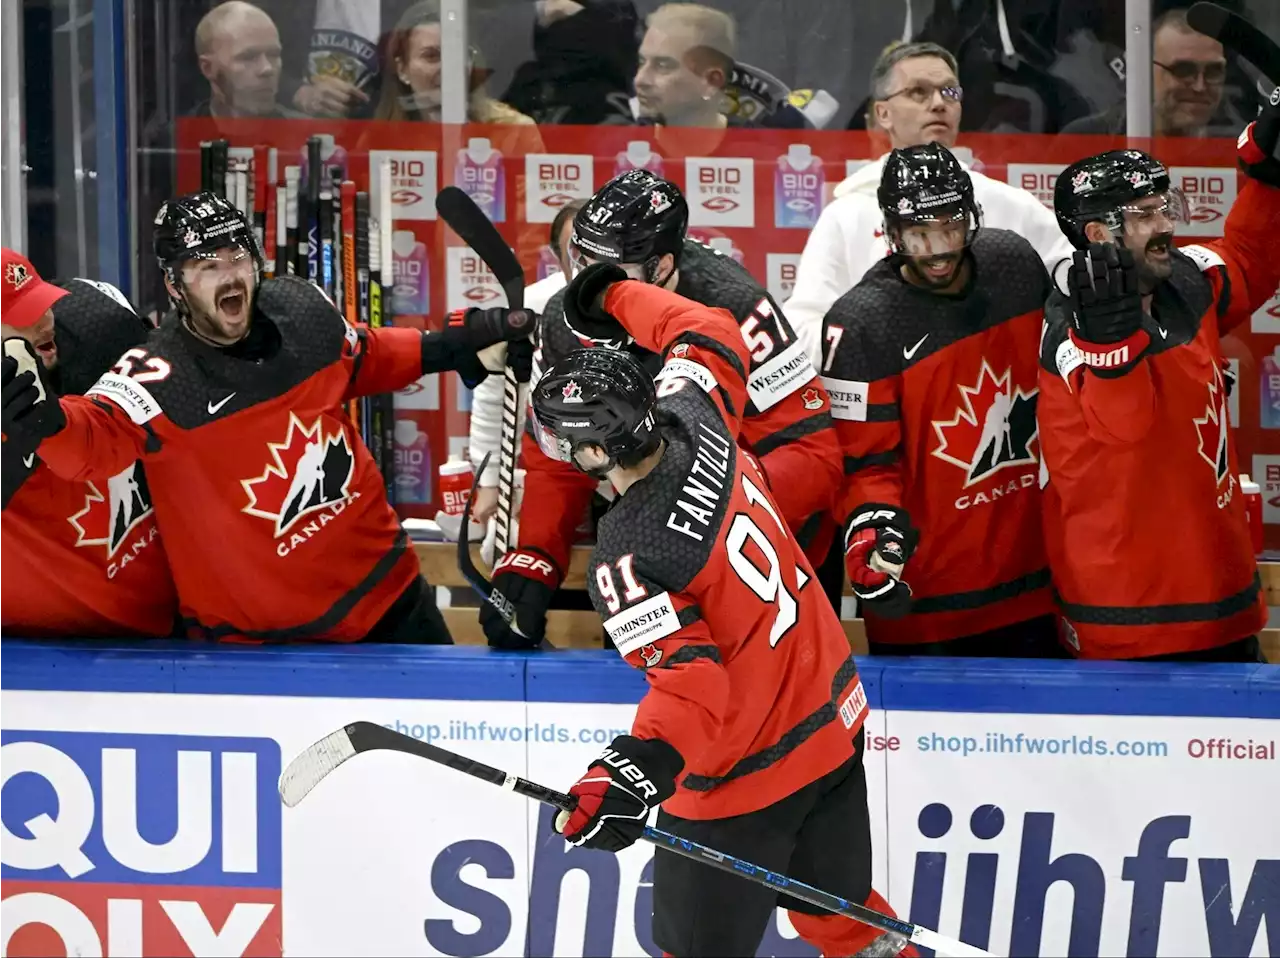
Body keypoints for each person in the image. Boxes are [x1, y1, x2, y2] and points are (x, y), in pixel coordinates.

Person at [532, 261, 910, 958]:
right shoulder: (694, 414)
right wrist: (609, 292)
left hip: (744, 786)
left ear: (593, 450)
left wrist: (628, 770)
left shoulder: (628, 552)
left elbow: (692, 685)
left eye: (562, 439)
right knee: (844, 919)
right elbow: (706, 328)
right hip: (832, 727)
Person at [0, 192, 533, 644]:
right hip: (258, 651)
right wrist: (46, 423)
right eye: (206, 266)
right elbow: (92, 441)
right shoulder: (155, 376)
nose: (228, 276)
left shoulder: (298, 308)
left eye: (235, 258)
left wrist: (450, 347)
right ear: (174, 285)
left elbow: (363, 355)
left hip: (390, 602)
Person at [482, 171, 842, 650]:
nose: (588, 282)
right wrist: (536, 554)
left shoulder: (737, 307)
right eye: (580, 259)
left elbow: (814, 458)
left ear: (662, 265)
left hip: (763, 556)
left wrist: (697, 502)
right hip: (647, 555)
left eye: (610, 270)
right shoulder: (563, 319)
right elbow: (559, 448)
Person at [1038, 91, 1280, 662]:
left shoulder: (1185, 284)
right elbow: (1125, 425)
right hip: (1128, 623)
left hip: (1222, 600)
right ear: (1098, 235)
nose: (1165, 224)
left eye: (1163, 206)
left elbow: (1251, 258)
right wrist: (1113, 346)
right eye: (1144, 215)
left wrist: (1265, 171)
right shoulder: (1068, 330)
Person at [821, 143, 1057, 656]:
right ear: (890, 231)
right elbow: (865, 467)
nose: (936, 249)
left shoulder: (1016, 264)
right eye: (918, 234)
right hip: (926, 604)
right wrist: (870, 532)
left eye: (949, 228)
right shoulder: (858, 323)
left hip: (1039, 588)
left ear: (972, 217)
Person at [786, 40, 1073, 371]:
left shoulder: (1009, 204)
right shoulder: (847, 213)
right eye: (919, 92)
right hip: (888, 403)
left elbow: (1070, 290)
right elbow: (804, 329)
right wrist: (876, 341)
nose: (938, 103)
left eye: (949, 92)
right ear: (883, 113)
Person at [0, 254, 177, 638]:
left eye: (42, 304)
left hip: (161, 641)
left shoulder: (105, 334)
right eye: (22, 315)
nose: (47, 321)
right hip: (24, 662)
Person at [467, 197, 586, 527]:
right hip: (556, 467)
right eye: (576, 251)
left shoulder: (651, 304)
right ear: (557, 257)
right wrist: (491, 483)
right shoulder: (527, 309)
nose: (589, 261)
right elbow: (495, 398)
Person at [1062, 9, 1227, 137]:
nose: (1200, 86)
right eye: (1183, 70)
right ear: (1144, 70)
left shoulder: (1238, 152)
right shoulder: (1087, 140)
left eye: (1213, 71)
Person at [191, 1, 301, 119]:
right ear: (208, 68)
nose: (267, 68)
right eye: (248, 57)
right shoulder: (177, 135)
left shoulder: (305, 134)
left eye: (273, 55)